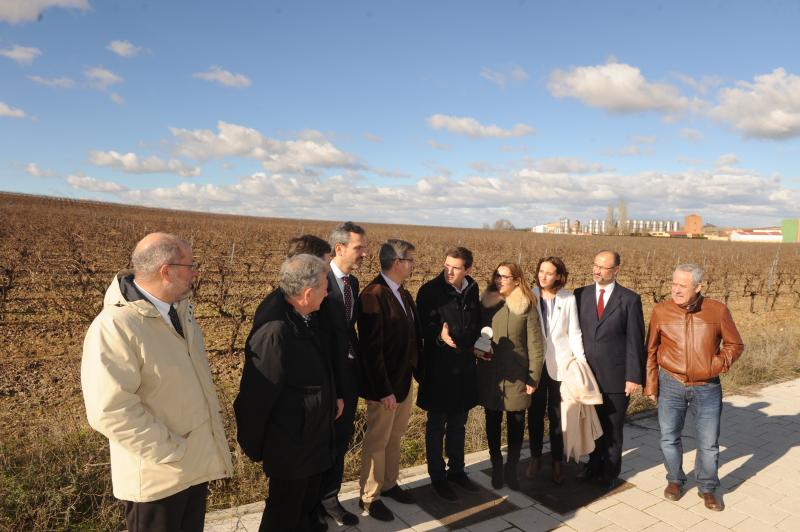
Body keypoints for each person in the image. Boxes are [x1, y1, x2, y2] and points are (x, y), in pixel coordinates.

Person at [81, 232, 233, 532]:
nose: (196, 272)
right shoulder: (115, 326)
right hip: (157, 479)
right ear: (167, 271)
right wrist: (170, 451)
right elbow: (110, 410)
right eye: (190, 265)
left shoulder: (181, 314)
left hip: (192, 469)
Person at [234, 254, 335, 532]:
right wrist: (256, 447)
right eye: (326, 285)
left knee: (304, 508)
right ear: (307, 293)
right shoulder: (275, 332)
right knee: (284, 513)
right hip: (291, 446)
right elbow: (256, 399)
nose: (328, 291)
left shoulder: (302, 317)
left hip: (310, 439)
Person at [644, 264, 744, 511]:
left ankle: (708, 488)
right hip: (671, 383)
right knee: (669, 438)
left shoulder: (717, 310)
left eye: (682, 285)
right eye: (673, 284)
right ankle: (675, 480)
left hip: (707, 387)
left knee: (708, 442)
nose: (675, 290)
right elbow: (651, 350)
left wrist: (717, 364)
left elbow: (735, 344)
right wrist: (651, 385)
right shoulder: (661, 310)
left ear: (698, 287)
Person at [356, 239, 422, 522]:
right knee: (377, 441)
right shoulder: (373, 295)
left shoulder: (403, 294)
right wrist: (383, 390)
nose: (412, 266)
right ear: (397, 263)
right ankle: (370, 496)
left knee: (394, 437)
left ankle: (390, 484)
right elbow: (371, 350)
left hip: (403, 382)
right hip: (384, 387)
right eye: (410, 261)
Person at [574, 250, 645, 489]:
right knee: (592, 425)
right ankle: (592, 465)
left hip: (616, 376)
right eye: (595, 265)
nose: (596, 270)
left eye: (603, 267)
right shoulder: (580, 294)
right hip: (587, 377)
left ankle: (610, 472)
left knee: (612, 428)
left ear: (616, 270)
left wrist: (633, 376)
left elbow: (635, 341)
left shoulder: (630, 299)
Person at [416, 247, 482, 501]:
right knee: (436, 425)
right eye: (446, 265)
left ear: (468, 269)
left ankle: (457, 471)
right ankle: (437, 477)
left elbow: (476, 321)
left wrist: (480, 343)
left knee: (459, 423)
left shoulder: (472, 289)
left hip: (464, 369)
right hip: (439, 370)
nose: (449, 271)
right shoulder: (429, 291)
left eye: (455, 267)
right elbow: (422, 325)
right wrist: (439, 336)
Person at [478, 261, 545, 491]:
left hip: (518, 375)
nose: (499, 280)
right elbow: (478, 335)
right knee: (492, 422)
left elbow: (536, 345)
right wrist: (478, 349)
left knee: (516, 424)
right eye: (497, 275)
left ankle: (511, 468)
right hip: (491, 375)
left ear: (517, 280)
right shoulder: (486, 303)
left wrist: (533, 377)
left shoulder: (527, 306)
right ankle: (496, 466)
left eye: (505, 276)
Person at [320, 222, 368, 526]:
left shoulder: (353, 283)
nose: (364, 253)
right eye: (359, 247)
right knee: (321, 442)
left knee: (340, 440)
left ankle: (330, 499)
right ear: (339, 249)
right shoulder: (319, 281)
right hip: (325, 378)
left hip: (348, 375)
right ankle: (313, 502)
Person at [526, 256, 587, 485]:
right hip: (535, 366)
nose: (543, 276)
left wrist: (580, 363)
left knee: (558, 416)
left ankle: (557, 462)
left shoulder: (568, 298)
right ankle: (534, 458)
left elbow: (575, 333)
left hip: (561, 366)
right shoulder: (529, 295)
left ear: (558, 276)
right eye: (541, 271)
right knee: (534, 415)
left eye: (549, 272)